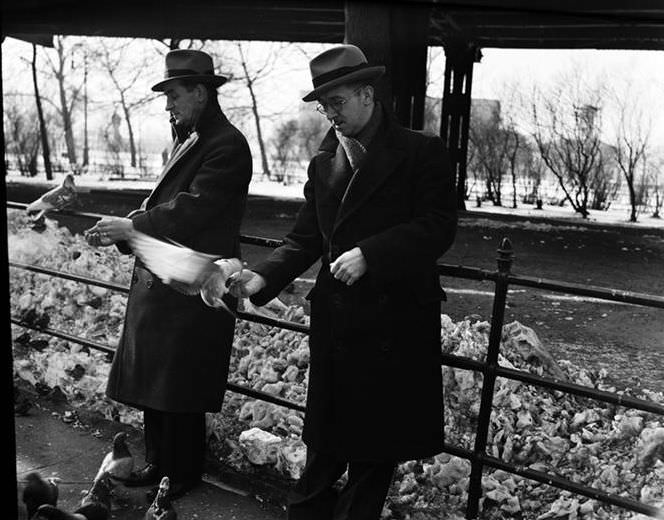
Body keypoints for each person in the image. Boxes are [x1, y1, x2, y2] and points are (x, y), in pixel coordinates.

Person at [225, 44, 457, 520]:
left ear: (368, 95)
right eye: (323, 105)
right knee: (324, 448)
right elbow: (304, 239)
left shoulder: (421, 151)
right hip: (340, 326)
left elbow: (438, 226)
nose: (329, 114)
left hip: (394, 325)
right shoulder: (323, 163)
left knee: (374, 457)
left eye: (338, 102)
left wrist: (373, 254)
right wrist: (259, 277)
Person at [85, 49, 252, 500]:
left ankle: (181, 474)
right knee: (161, 384)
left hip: (194, 281)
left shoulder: (226, 144)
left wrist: (133, 227)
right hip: (170, 277)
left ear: (201, 92)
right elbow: (171, 206)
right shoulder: (196, 137)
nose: (168, 104)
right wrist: (128, 228)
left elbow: (192, 211)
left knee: (180, 386)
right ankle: (161, 464)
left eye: (174, 94)